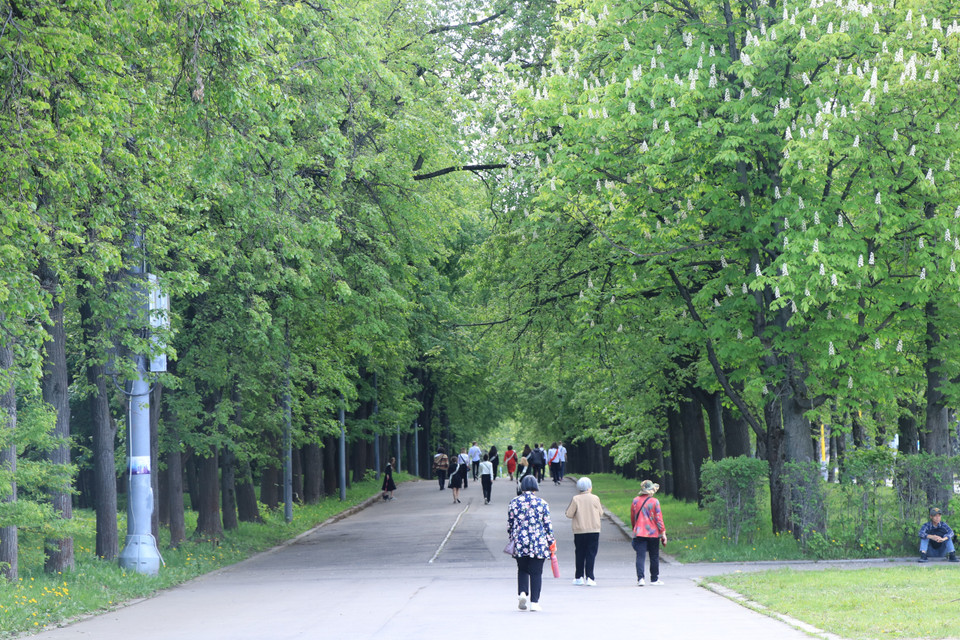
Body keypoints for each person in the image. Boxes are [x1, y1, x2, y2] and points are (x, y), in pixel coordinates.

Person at [508, 476, 555, 612]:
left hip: (520, 542)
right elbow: (547, 526)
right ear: (535, 487)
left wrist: (512, 538)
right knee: (536, 572)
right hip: (538, 543)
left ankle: (522, 593)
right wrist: (551, 542)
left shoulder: (514, 502)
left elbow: (510, 524)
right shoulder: (542, 503)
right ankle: (534, 602)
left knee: (522, 569)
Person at [565, 477, 604, 586]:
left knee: (580, 553)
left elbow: (569, 514)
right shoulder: (595, 498)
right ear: (590, 488)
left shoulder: (576, 499)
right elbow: (601, 513)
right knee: (591, 553)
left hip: (579, 531)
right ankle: (590, 577)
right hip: (594, 530)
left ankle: (579, 577)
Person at [631, 479, 666, 586]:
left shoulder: (635, 501)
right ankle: (654, 579)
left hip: (639, 532)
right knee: (654, 556)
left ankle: (640, 579)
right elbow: (659, 519)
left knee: (640, 556)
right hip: (653, 533)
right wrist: (663, 533)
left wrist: (635, 528)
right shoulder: (655, 502)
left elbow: (633, 517)